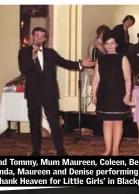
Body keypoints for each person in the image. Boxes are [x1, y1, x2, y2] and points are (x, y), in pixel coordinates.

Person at [18, 27, 95, 156]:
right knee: (34, 122)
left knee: (54, 122)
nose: (39, 38)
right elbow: (23, 69)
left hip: (50, 93)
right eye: (37, 35)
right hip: (33, 93)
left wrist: (80, 64)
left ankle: (60, 149)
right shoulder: (24, 52)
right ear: (32, 37)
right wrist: (33, 56)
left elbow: (65, 63)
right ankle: (36, 151)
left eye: (42, 36)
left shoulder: (50, 53)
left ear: (45, 39)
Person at [92, 31, 132, 156]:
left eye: (112, 43)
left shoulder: (122, 58)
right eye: (107, 43)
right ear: (104, 45)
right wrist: (94, 93)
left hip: (119, 93)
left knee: (118, 122)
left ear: (116, 44)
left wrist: (128, 93)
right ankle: (108, 149)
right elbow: (96, 78)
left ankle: (115, 149)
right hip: (104, 93)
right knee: (107, 122)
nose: (109, 46)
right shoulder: (100, 59)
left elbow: (128, 78)